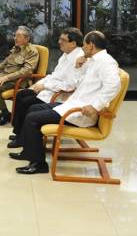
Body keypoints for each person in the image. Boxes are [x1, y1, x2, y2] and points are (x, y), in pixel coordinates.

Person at [11, 31, 121, 175]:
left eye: (84, 45)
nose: (82, 48)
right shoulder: (93, 60)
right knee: (33, 109)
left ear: (91, 45)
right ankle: (29, 152)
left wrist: (95, 106)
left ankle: (39, 164)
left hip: (80, 112)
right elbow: (80, 82)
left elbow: (113, 85)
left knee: (32, 118)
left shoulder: (106, 62)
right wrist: (79, 64)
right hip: (72, 105)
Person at [7, 27, 84, 148]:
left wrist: (44, 86)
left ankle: (22, 137)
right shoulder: (66, 55)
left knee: (26, 102)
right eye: (60, 39)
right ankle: (20, 133)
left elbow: (70, 85)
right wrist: (37, 85)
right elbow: (54, 75)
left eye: (63, 40)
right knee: (21, 95)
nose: (59, 42)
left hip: (59, 95)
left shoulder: (78, 59)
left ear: (73, 43)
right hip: (49, 89)